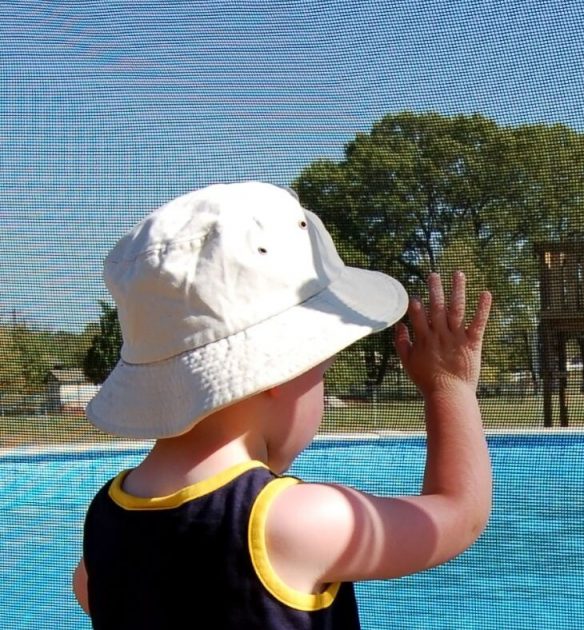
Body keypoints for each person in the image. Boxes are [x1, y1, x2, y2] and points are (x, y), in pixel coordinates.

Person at [71, 181, 492, 629]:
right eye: (320, 372)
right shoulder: (291, 521)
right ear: (280, 371)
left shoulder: (106, 522)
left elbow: (91, 595)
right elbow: (458, 513)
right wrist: (450, 387)